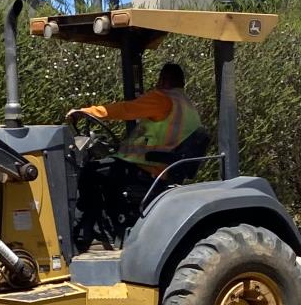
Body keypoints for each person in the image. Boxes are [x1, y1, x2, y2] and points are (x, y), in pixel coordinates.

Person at [65, 63, 207, 247]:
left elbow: (126, 109)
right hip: (164, 168)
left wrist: (87, 112)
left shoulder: (163, 99)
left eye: (160, 79)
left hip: (149, 168)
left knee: (91, 173)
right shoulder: (186, 104)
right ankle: (109, 230)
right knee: (104, 171)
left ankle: (90, 236)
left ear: (164, 80)